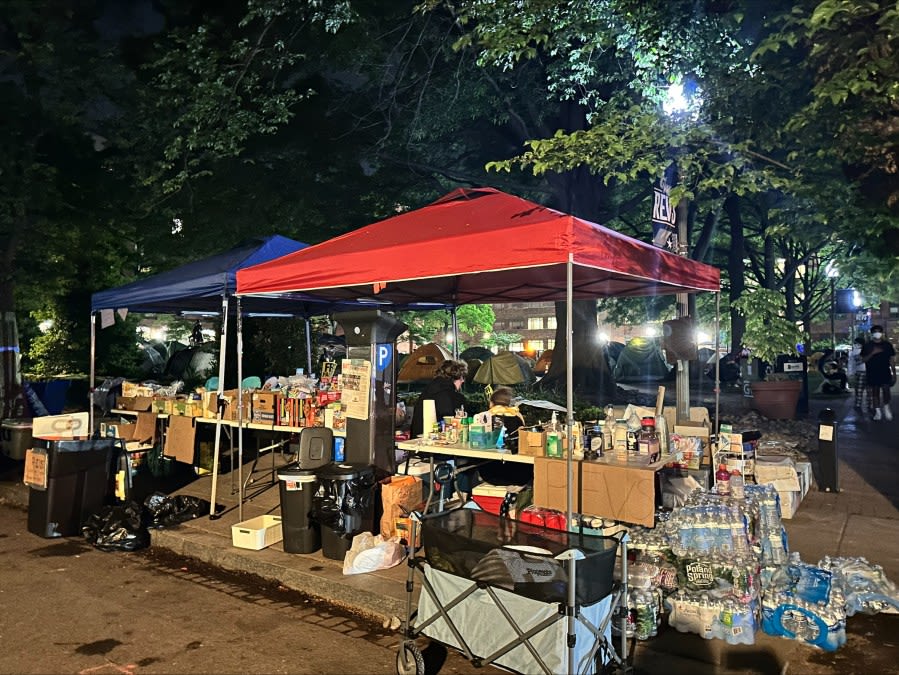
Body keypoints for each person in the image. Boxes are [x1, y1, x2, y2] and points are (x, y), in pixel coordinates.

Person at [475, 386, 534, 487]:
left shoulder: (482, 417)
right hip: (520, 475)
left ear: (492, 403)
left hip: (491, 474)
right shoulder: (517, 416)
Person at [409, 359, 468, 438]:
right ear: (458, 376)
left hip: (417, 442)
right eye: (462, 378)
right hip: (439, 444)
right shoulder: (454, 397)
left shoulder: (428, 391)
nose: (463, 381)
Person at [860, 325, 897, 421]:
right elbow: (863, 359)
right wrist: (873, 353)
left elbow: (891, 359)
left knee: (886, 390)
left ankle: (886, 408)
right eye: (875, 331)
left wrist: (894, 373)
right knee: (875, 392)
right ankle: (878, 412)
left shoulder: (887, 345)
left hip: (885, 371)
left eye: (879, 331)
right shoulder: (867, 346)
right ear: (872, 333)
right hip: (872, 372)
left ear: (882, 333)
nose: (877, 333)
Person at [847, 336, 867, 412]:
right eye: (855, 343)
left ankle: (858, 404)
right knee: (861, 390)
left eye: (857, 343)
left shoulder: (855, 352)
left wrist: (850, 373)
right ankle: (864, 405)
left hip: (861, 372)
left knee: (859, 390)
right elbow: (851, 363)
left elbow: (852, 363)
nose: (855, 344)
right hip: (861, 372)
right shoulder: (854, 352)